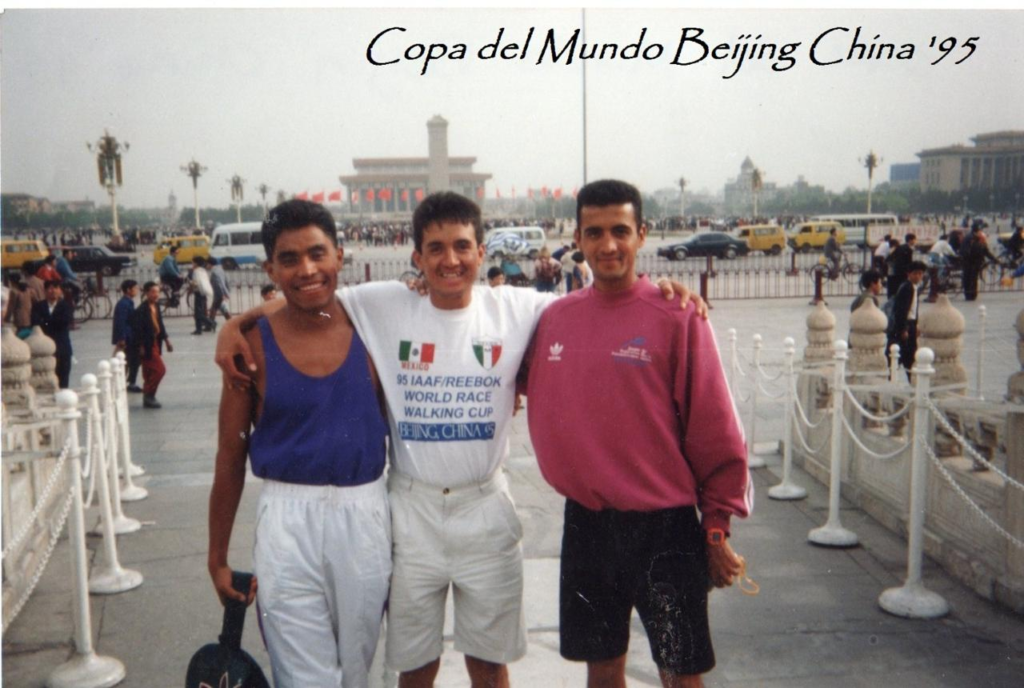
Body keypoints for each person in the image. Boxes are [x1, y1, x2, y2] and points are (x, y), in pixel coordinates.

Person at [215, 196, 703, 688]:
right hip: (412, 512)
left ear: (481, 251)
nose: (450, 260)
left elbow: (599, 305)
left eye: (462, 246)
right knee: (415, 667)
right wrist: (235, 325)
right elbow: (308, 293)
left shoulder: (518, 308)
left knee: (488, 666)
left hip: (484, 507)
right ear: (417, 257)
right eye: (436, 248)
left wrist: (659, 293)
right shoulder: (382, 304)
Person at [521, 179, 749, 688]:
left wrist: (716, 527)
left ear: (641, 234)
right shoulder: (554, 318)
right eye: (594, 233)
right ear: (577, 239)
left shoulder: (678, 316)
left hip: (665, 531)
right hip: (588, 527)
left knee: (680, 673)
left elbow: (715, 431)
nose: (608, 245)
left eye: (620, 231)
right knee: (602, 672)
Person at [207, 201, 391, 687]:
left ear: (339, 256)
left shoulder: (374, 328)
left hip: (365, 517)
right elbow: (230, 454)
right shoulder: (252, 347)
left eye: (317, 254)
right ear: (270, 269)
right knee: (303, 677)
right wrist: (217, 556)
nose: (306, 270)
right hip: (287, 523)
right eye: (289, 259)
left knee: (359, 670)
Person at [134, 281, 173, 409]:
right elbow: (138, 331)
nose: (156, 295)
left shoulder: (156, 306)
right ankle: (148, 394)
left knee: (149, 371)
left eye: (158, 292)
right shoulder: (141, 310)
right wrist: (141, 347)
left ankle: (148, 397)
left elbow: (160, 324)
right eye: (153, 292)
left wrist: (166, 341)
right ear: (146, 293)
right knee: (159, 370)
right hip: (146, 345)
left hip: (156, 342)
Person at [886, 261, 927, 379]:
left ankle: (907, 378)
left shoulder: (913, 287)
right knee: (905, 354)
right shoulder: (907, 288)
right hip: (905, 325)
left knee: (906, 355)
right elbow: (902, 310)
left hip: (910, 324)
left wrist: (916, 325)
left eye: (920, 274)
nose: (918, 276)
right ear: (909, 274)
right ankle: (907, 378)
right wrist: (903, 329)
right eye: (915, 273)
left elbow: (913, 310)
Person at [31, 280, 73, 388]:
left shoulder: (66, 305)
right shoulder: (38, 306)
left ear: (60, 291)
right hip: (44, 348)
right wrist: (50, 322)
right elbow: (35, 322)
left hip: (62, 346)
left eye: (56, 288)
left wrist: (46, 322)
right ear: (45, 291)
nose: (53, 291)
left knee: (63, 377)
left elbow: (64, 322)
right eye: (50, 288)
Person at [112, 279, 143, 392]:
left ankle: (129, 381)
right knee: (131, 360)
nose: (137, 290)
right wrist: (122, 338)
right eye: (135, 288)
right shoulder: (124, 304)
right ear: (128, 290)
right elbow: (120, 322)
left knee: (133, 360)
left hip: (130, 336)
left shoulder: (128, 302)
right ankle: (129, 383)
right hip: (127, 338)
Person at [962, 226, 998, 301]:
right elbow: (985, 252)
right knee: (970, 279)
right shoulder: (971, 240)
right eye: (979, 232)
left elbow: (986, 252)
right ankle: (970, 295)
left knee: (971, 279)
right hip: (970, 263)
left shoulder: (973, 239)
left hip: (972, 263)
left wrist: (995, 260)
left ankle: (971, 295)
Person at [189, 256, 217, 335]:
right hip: (203, 293)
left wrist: (190, 283)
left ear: (196, 263)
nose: (192, 264)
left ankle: (211, 323)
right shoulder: (203, 270)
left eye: (193, 262)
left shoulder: (196, 271)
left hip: (199, 293)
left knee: (198, 313)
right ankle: (198, 329)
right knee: (198, 312)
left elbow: (196, 283)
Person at [4, 274, 34, 338]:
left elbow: (11, 307)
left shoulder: (14, 292)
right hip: (29, 317)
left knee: (19, 336)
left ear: (12, 282)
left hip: (19, 318)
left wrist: (6, 318)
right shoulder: (28, 290)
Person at [887, 233, 916, 298]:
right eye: (914, 240)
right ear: (910, 240)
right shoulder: (908, 249)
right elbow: (909, 262)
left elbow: (890, 257)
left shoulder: (900, 247)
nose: (915, 241)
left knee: (895, 286)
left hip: (895, 270)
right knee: (902, 285)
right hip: (902, 271)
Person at [207, 256, 232, 323]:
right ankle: (211, 323)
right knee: (221, 308)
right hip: (222, 293)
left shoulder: (214, 272)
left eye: (207, 264)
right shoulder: (220, 270)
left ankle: (211, 324)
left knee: (215, 308)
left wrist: (222, 294)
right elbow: (226, 281)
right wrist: (227, 291)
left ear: (210, 264)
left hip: (219, 294)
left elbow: (218, 284)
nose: (206, 266)